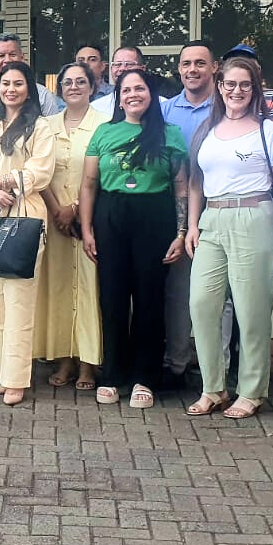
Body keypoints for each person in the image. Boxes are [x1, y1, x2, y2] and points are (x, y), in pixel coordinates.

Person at [183, 55, 273, 419]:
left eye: (245, 85)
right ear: (219, 87)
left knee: (252, 310)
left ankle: (251, 390)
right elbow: (195, 182)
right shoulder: (206, 130)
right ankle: (213, 388)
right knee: (202, 304)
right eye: (230, 84)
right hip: (212, 219)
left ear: (255, 89)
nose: (237, 91)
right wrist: (192, 225)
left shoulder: (270, 131)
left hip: (255, 215)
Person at [80, 67, 186, 409]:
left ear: (151, 95)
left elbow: (181, 187)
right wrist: (87, 230)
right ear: (119, 97)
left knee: (149, 299)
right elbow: (89, 184)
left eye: (139, 89)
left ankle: (145, 377)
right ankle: (112, 374)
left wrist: (181, 232)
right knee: (111, 298)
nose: (133, 95)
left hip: (155, 217)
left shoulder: (170, 134)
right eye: (126, 90)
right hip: (111, 217)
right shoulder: (104, 132)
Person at [0, 62, 57, 406]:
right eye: (5, 84)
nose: (11, 89)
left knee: (19, 299)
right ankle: (4, 374)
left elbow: (41, 171)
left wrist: (4, 182)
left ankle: (18, 379)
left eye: (18, 83)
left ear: (29, 88)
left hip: (24, 215)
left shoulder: (40, 127)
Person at [33, 63, 105, 392]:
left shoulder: (104, 125)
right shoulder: (45, 126)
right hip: (54, 222)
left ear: (92, 86)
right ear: (59, 89)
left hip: (90, 221)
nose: (74, 87)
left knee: (90, 289)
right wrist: (57, 210)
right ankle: (64, 358)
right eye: (67, 82)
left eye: (80, 81)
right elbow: (38, 171)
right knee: (58, 289)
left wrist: (75, 209)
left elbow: (103, 175)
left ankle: (89, 362)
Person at [157, 40, 218, 386]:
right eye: (186, 64)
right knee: (178, 292)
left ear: (214, 68)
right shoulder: (166, 111)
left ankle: (218, 369)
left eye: (200, 63)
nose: (192, 69)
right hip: (176, 212)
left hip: (220, 208)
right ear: (179, 69)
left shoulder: (226, 107)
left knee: (221, 297)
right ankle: (177, 363)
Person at [0, 33, 64, 115]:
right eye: (1, 55)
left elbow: (53, 126)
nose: (7, 60)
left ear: (22, 58)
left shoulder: (43, 95)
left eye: (12, 54)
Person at [220, 44, 273, 130]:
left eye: (247, 64)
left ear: (258, 69)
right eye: (234, 63)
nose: (237, 91)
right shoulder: (220, 98)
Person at [90, 46, 146, 115]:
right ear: (111, 69)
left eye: (129, 64)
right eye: (117, 64)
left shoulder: (158, 105)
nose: (122, 68)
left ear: (143, 68)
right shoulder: (97, 108)